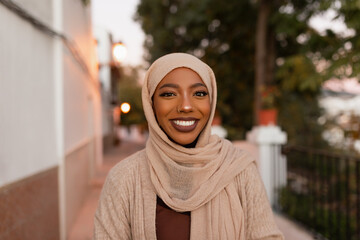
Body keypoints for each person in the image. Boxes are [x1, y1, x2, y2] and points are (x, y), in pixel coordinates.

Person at [94, 53, 284, 239]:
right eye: (169, 94)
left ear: (211, 101)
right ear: (151, 105)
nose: (186, 106)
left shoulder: (239, 170)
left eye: (199, 93)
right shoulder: (124, 179)